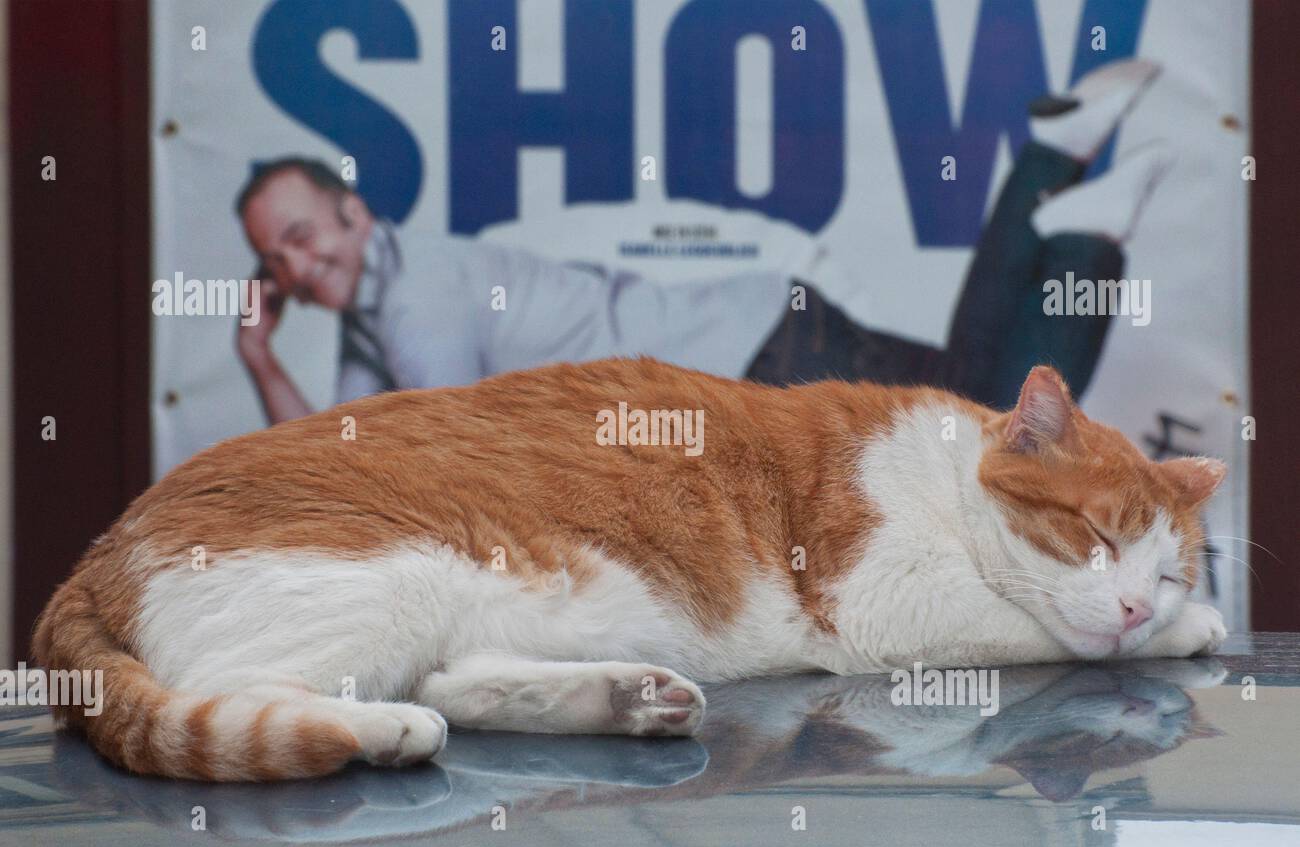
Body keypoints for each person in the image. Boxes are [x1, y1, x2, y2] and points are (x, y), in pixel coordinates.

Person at [237, 59, 1169, 423]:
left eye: (304, 235)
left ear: (355, 211)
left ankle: (1079, 217)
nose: (296, 265)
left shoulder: (419, 294)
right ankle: (1058, 168)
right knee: (977, 400)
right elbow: (330, 454)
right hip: (755, 338)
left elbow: (416, 452)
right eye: (276, 259)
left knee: (987, 430)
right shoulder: (375, 310)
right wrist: (258, 354)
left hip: (754, 355)